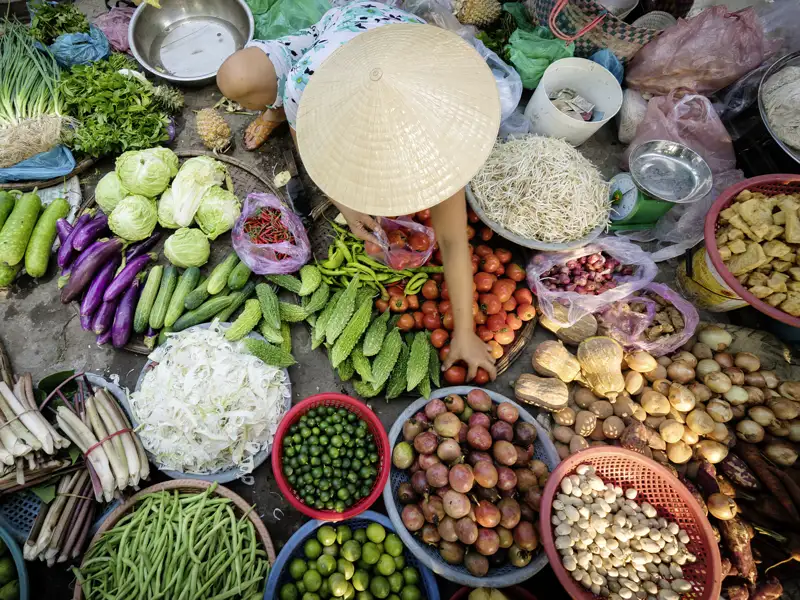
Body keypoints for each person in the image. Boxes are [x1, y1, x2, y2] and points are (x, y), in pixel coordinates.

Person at [217, 3, 502, 381]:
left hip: (402, 48)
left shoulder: (440, 142)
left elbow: (452, 240)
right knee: (235, 78)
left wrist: (464, 332)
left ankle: (280, 105)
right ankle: (274, 110)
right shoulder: (308, 88)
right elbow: (311, 149)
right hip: (344, 31)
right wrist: (346, 206)